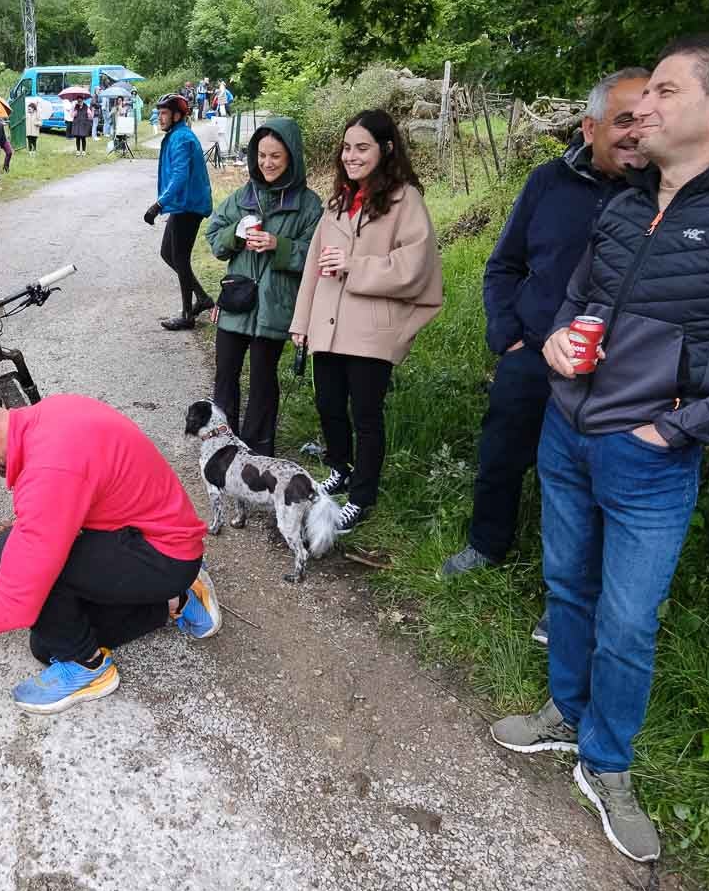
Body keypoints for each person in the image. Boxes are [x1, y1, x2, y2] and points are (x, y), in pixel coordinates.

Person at [491, 34, 709, 864]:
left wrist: (673, 428)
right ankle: (564, 714)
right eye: (641, 96)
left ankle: (606, 764)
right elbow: (577, 296)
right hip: (567, 431)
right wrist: (554, 347)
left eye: (665, 92)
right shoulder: (621, 200)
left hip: (649, 454)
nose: (641, 106)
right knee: (567, 588)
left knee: (626, 618)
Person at [439, 67, 650, 647]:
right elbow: (504, 263)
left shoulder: (662, 191)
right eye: (625, 119)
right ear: (590, 125)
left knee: (590, 486)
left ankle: (568, 603)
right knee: (503, 453)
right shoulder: (548, 183)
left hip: (614, 370)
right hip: (533, 353)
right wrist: (506, 335)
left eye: (648, 118)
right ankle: (487, 543)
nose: (638, 133)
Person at [0, 394, 218, 715]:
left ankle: (89, 668)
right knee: (46, 643)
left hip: (164, 554)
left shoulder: (49, 471)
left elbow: (17, 605)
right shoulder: (47, 414)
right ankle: (175, 602)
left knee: (15, 559)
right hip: (147, 534)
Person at [289, 109, 442, 535]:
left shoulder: (405, 199)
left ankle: (361, 496)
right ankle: (340, 467)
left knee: (366, 416)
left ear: (385, 149)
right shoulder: (339, 198)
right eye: (347, 147)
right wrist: (301, 322)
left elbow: (416, 266)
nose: (351, 156)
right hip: (328, 325)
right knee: (329, 405)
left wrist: (356, 265)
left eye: (362, 148)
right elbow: (313, 269)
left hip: (372, 331)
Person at [204, 118, 323, 457]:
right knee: (225, 376)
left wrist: (277, 244)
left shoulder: (309, 205)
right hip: (235, 302)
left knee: (262, 381)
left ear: (292, 158)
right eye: (261, 155)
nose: (267, 163)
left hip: (275, 305)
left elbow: (315, 255)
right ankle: (223, 448)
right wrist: (236, 236)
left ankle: (257, 454)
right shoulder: (243, 197)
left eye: (276, 156)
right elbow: (214, 239)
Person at [144, 93, 214, 330]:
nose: (160, 118)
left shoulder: (181, 138)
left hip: (189, 206)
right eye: (159, 113)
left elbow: (180, 176)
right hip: (183, 205)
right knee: (168, 253)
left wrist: (158, 205)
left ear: (176, 115)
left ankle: (187, 316)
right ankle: (202, 298)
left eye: (164, 113)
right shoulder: (177, 135)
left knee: (180, 258)